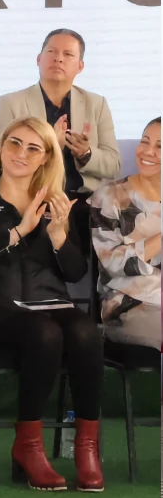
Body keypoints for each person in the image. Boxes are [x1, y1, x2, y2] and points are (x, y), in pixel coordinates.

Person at [0, 117, 100, 492]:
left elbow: (75, 273)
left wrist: (58, 235)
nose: (21, 153)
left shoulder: (57, 200)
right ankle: (28, 446)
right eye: (14, 143)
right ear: (1, 146)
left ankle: (87, 447)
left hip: (49, 303)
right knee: (45, 334)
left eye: (34, 148)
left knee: (86, 332)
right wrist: (17, 232)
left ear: (46, 157)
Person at [0, 29, 119, 198]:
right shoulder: (10, 103)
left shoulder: (96, 104)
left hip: (85, 200)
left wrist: (85, 154)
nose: (58, 59)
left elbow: (114, 166)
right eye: (51, 52)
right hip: (30, 197)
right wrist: (51, 148)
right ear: (38, 59)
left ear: (80, 66)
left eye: (68, 54)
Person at [90, 116, 160, 351]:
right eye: (145, 141)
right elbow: (113, 264)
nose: (148, 152)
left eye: (159, 146)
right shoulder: (109, 197)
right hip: (129, 305)